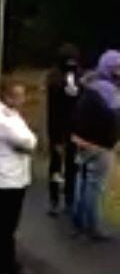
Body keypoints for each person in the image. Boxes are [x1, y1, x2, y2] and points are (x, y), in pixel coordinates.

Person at [0, 79, 37, 274]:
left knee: (7, 226)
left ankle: (9, 264)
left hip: (13, 176)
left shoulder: (6, 113)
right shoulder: (1, 119)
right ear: (7, 97)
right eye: (19, 96)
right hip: (5, 179)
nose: (23, 100)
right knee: (1, 227)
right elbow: (27, 141)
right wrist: (29, 142)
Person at [71, 49, 120, 238]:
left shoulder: (89, 85)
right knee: (95, 185)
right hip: (100, 143)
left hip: (82, 140)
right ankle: (92, 225)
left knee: (82, 180)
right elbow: (116, 116)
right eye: (117, 67)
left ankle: (79, 220)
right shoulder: (108, 90)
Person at [45, 44, 80, 215]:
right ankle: (56, 199)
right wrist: (54, 136)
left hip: (73, 128)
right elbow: (53, 110)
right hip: (60, 127)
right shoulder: (55, 79)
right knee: (57, 165)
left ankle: (68, 198)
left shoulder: (77, 77)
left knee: (71, 165)